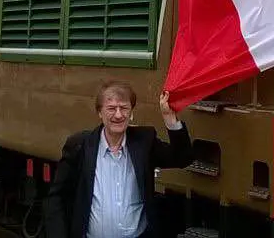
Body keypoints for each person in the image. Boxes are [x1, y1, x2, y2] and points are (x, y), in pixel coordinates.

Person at [43, 82, 193, 238]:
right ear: (99, 113)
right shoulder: (80, 146)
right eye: (111, 108)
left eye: (124, 108)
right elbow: (55, 198)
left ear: (131, 113)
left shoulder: (144, 142)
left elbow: (182, 158)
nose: (118, 115)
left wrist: (170, 118)